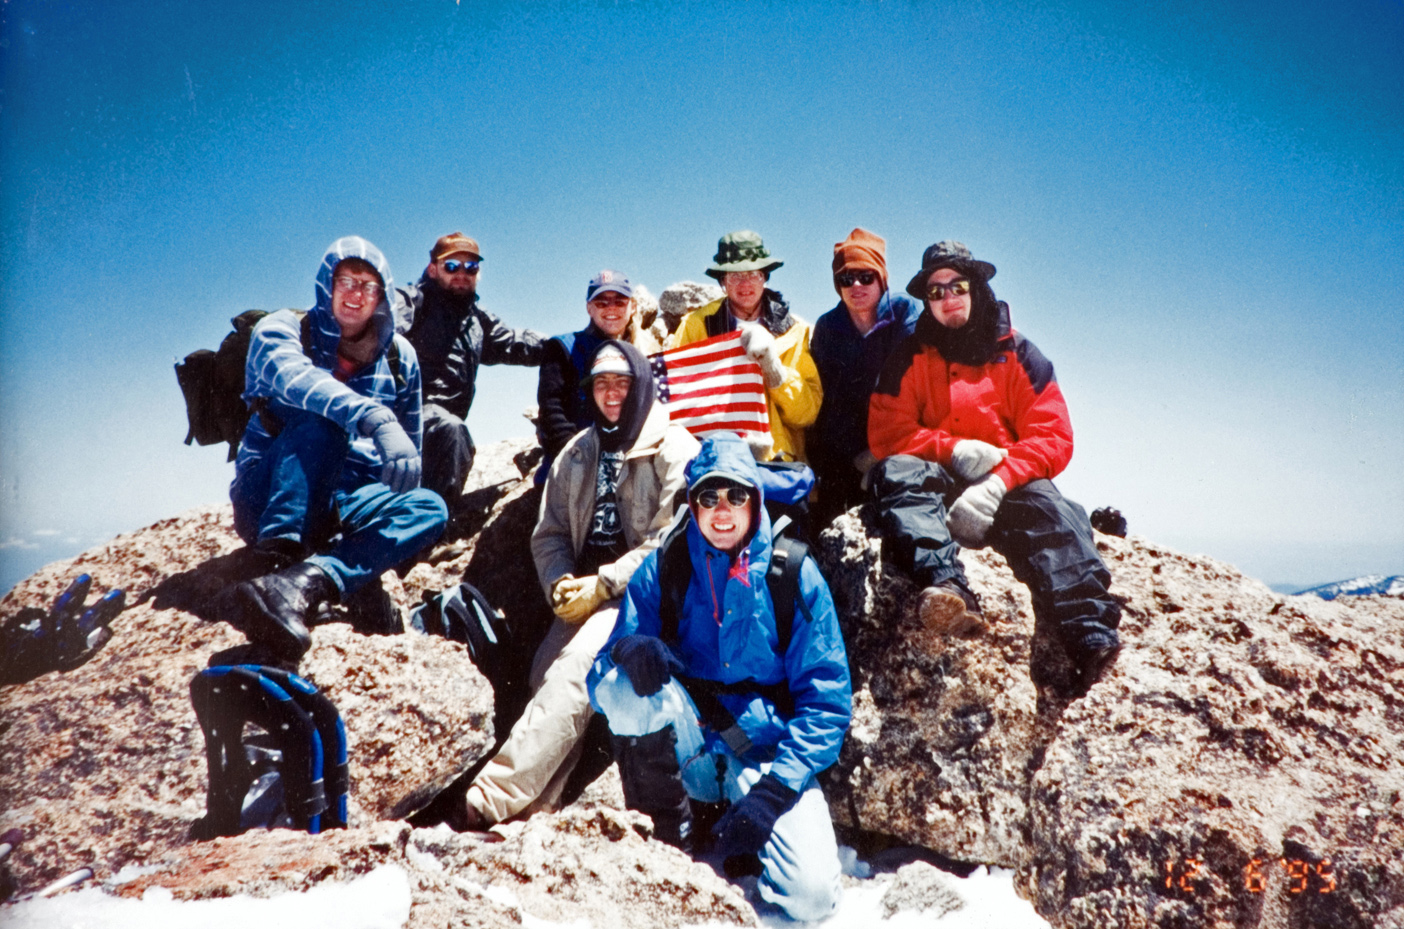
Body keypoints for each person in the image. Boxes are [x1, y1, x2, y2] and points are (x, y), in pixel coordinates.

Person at [587, 434, 851, 923]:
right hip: (690, 738)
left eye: (736, 495)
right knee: (625, 692)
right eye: (709, 497)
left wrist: (774, 794)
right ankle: (671, 831)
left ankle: (737, 818)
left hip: (764, 749)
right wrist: (626, 649)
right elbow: (600, 682)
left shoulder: (793, 574)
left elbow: (827, 703)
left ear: (755, 499)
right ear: (692, 503)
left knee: (811, 898)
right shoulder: (664, 566)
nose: (722, 509)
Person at [449, 340, 699, 828]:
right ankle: (538, 811)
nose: (611, 395)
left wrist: (604, 585)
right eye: (601, 384)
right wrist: (559, 582)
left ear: (642, 386)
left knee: (577, 668)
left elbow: (671, 542)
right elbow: (551, 534)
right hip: (586, 591)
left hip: (642, 595)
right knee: (541, 673)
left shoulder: (676, 448)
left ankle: (487, 801)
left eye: (622, 384)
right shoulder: (578, 451)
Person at [867, 241, 1122, 693]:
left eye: (957, 287)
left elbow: (1053, 437)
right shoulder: (910, 355)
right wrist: (952, 448)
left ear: (978, 288)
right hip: (940, 475)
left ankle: (1090, 636)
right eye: (935, 292)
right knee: (897, 474)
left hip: (1006, 480)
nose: (947, 299)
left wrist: (998, 480)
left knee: (1054, 513)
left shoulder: (1019, 351)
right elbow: (888, 433)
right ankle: (948, 588)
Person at [222, 237, 448, 663]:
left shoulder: (401, 358)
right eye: (345, 280)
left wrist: (397, 502)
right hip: (270, 497)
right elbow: (297, 381)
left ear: (382, 295)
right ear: (326, 283)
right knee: (324, 423)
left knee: (429, 507)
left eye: (369, 285)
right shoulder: (281, 330)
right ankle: (270, 569)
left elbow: (407, 456)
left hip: (343, 506)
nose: (355, 294)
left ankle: (304, 582)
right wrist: (374, 418)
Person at [396, 232, 544, 513]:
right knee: (453, 432)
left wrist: (568, 345)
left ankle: (430, 524)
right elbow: (379, 322)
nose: (462, 273)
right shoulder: (413, 301)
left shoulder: (476, 318)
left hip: (443, 429)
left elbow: (515, 342)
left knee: (452, 432)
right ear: (432, 269)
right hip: (405, 418)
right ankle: (430, 526)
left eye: (471, 267)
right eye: (451, 266)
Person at [668, 232, 822, 463]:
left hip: (777, 463)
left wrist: (774, 370)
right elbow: (675, 398)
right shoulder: (696, 325)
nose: (745, 284)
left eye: (753, 274)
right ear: (722, 282)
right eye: (735, 276)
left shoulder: (794, 330)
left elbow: (807, 414)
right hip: (714, 460)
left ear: (765, 277)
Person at [808, 228, 923, 526]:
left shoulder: (905, 313)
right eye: (846, 278)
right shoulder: (828, 327)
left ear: (881, 278)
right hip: (842, 457)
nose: (856, 285)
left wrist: (876, 453)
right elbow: (823, 403)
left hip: (895, 446)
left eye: (866, 276)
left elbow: (913, 390)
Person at [536, 270, 663, 464]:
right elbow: (552, 415)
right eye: (601, 303)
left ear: (634, 307)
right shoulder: (563, 348)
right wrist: (579, 456)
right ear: (589, 308)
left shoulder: (648, 351)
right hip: (580, 456)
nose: (611, 309)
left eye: (620, 302)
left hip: (635, 456)